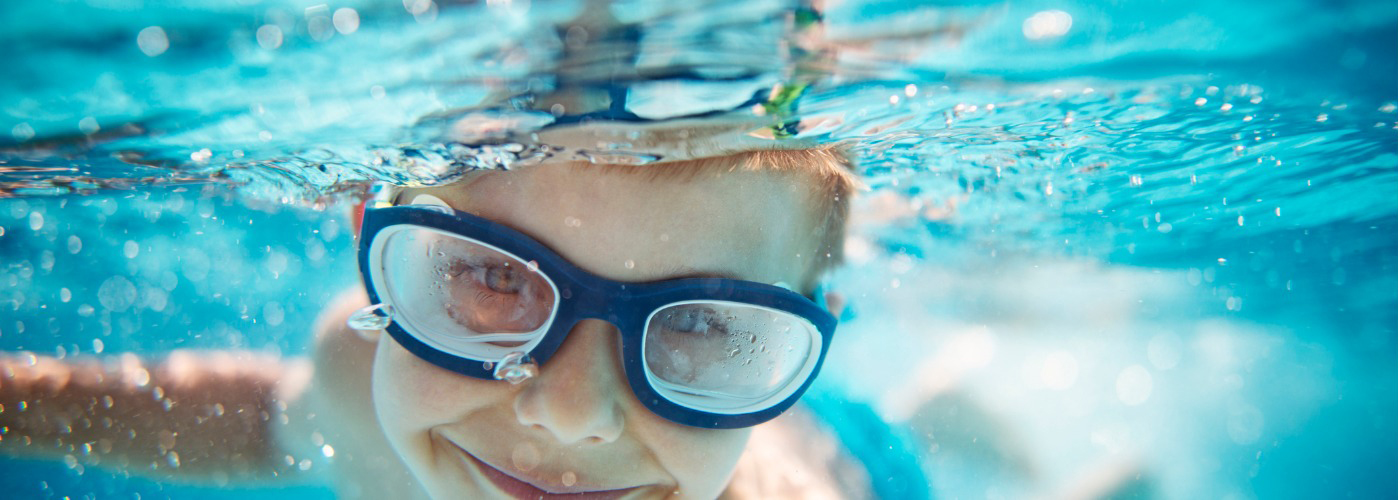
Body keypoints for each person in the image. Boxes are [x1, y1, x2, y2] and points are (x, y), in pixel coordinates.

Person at [0, 121, 933, 498]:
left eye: (704, 323)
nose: (571, 414)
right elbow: (263, 421)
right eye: (494, 281)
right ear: (374, 243)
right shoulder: (357, 385)